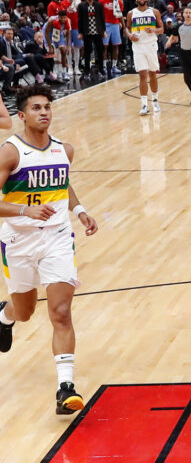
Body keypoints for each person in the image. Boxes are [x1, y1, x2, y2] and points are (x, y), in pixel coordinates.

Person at [0, 84, 97, 415]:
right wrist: (24, 210)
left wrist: (80, 210)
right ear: (22, 115)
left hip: (57, 237)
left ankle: (65, 388)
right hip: (18, 240)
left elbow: (62, 183)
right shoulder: (10, 152)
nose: (44, 112)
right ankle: (4, 315)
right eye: (37, 108)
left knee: (60, 312)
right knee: (24, 311)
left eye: (48, 107)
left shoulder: (64, 150)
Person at [126, 0, 164, 115]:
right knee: (142, 75)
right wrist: (130, 35)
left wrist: (153, 30)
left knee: (152, 74)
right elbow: (127, 28)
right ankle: (144, 105)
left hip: (151, 45)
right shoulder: (131, 13)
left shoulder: (154, 12)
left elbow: (162, 29)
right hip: (138, 46)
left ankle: (155, 101)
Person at [77, 0, 105, 78]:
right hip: (87, 31)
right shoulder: (81, 5)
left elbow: (102, 18)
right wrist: (80, 32)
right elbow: (80, 20)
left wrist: (103, 31)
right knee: (87, 51)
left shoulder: (99, 5)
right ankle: (86, 70)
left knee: (100, 51)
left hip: (97, 31)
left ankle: (101, 69)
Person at [98, 0, 123, 78]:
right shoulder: (101, 1)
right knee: (104, 46)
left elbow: (120, 15)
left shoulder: (118, 1)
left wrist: (123, 26)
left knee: (116, 45)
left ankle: (114, 66)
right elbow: (98, 14)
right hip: (105, 25)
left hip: (115, 24)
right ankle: (104, 66)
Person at [41, 11, 72, 83]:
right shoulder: (52, 21)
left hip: (57, 32)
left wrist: (68, 46)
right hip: (48, 33)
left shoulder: (68, 21)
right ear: (58, 17)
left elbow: (68, 34)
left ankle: (64, 72)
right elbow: (46, 33)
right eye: (61, 18)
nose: (63, 19)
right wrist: (50, 46)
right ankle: (51, 72)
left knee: (63, 51)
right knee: (51, 53)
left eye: (64, 18)